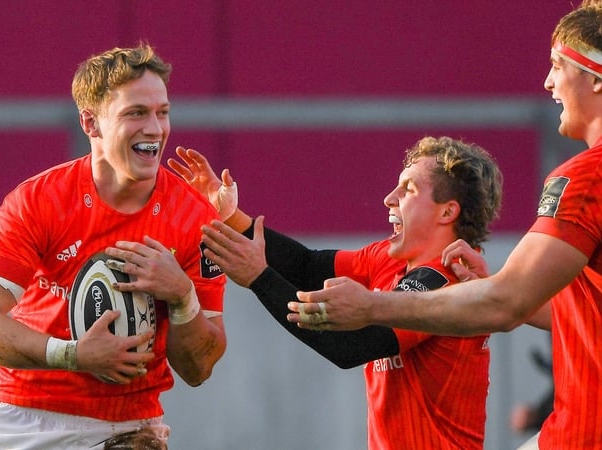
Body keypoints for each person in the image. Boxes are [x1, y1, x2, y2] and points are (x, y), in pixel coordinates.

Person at [289, 1, 602, 448]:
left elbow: (503, 305)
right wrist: (492, 282)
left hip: (599, 433)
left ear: (595, 77)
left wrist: (371, 306)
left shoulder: (596, 172)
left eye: (558, 65)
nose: (548, 82)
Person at [0, 44, 227, 449]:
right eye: (136, 113)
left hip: (132, 429)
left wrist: (183, 297)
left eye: (162, 112)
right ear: (90, 122)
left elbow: (199, 368)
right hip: (28, 420)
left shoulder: (197, 219)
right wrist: (73, 355)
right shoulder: (38, 201)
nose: (155, 128)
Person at [168, 136, 503, 449]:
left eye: (409, 189)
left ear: (448, 211)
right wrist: (231, 216)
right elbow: (308, 266)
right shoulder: (388, 259)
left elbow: (349, 347)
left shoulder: (445, 281)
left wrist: (260, 277)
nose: (389, 198)